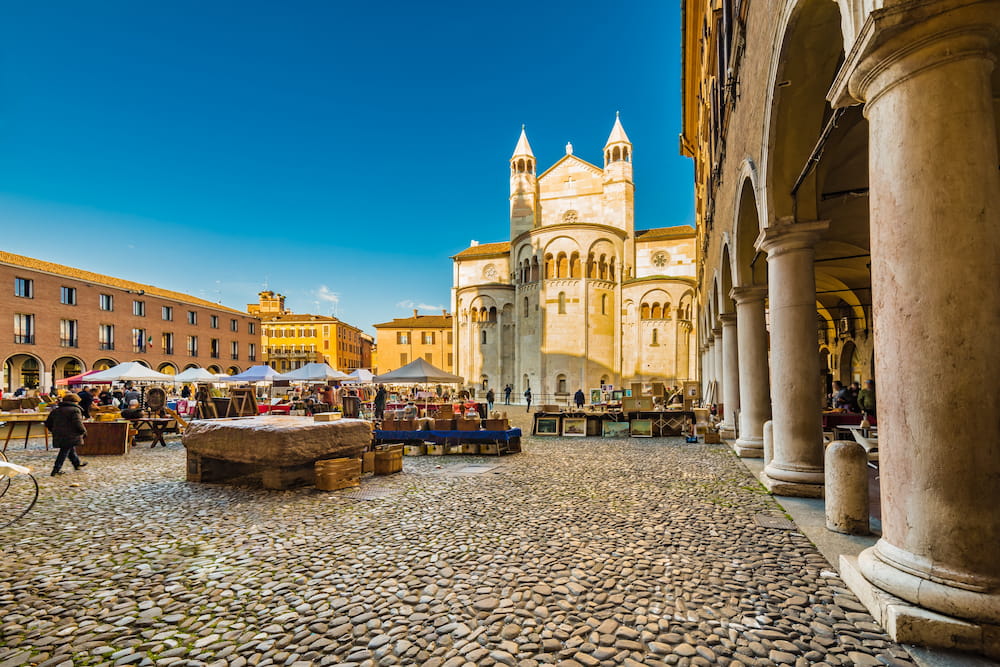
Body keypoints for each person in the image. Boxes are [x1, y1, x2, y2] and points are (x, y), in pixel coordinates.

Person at [45, 393, 88, 476]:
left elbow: (48, 423)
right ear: (74, 402)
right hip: (71, 434)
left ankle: (76, 464)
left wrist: (54, 430)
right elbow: (77, 423)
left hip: (60, 434)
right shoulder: (75, 410)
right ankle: (56, 469)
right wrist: (83, 431)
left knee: (70, 448)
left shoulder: (56, 410)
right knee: (64, 451)